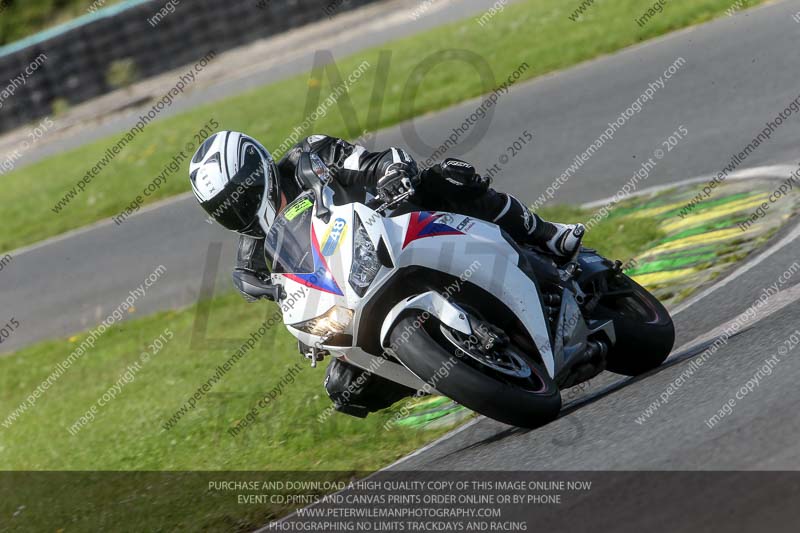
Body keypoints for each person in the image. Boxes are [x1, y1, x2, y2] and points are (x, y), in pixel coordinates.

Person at [189, 131, 584, 418]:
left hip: (396, 226)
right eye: (224, 208)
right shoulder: (253, 257)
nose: (237, 209)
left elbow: (376, 160)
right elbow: (287, 294)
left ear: (259, 169)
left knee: (447, 177)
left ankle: (546, 235)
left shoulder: (310, 155)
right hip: (357, 292)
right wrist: (307, 334)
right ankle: (453, 370)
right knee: (344, 388)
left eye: (241, 193)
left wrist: (392, 173)